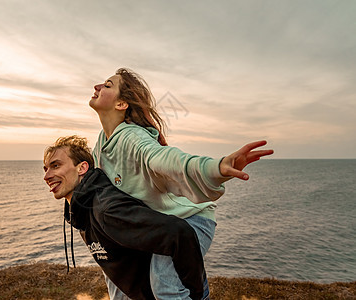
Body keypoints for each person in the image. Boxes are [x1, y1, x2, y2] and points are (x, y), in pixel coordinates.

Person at [89, 68, 274, 300]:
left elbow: (168, 160)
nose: (97, 86)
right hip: (158, 227)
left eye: (107, 85)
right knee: (121, 279)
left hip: (190, 222)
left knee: (165, 285)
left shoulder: (132, 137)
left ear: (121, 103)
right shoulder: (101, 144)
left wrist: (216, 168)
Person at [43, 135, 208, 300]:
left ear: (82, 168)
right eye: (46, 169)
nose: (46, 176)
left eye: (55, 166)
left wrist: (196, 293)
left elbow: (178, 233)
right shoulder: (81, 210)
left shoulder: (108, 210)